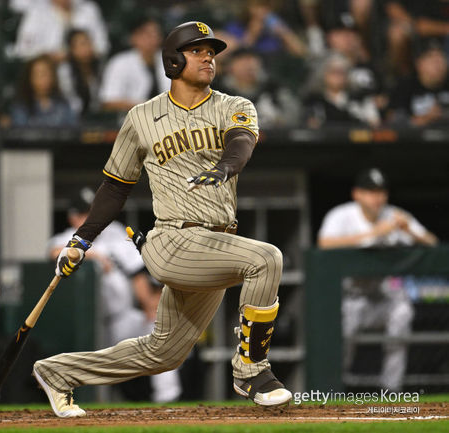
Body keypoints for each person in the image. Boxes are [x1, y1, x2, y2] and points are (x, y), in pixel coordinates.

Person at [32, 21, 292, 418]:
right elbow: (115, 188)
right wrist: (81, 240)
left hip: (216, 245)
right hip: (173, 241)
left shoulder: (235, 106)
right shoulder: (141, 117)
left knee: (163, 354)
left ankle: (57, 372)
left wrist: (226, 166)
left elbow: (241, 144)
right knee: (267, 258)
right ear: (173, 60)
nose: (208, 56)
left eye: (212, 51)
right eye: (197, 50)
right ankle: (251, 371)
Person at [49, 187, 181, 403]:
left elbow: (137, 273)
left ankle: (168, 398)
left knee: (159, 324)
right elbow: (53, 253)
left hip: (120, 320)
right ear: (73, 217)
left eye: (94, 211)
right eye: (85, 213)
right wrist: (92, 255)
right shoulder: (65, 238)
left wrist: (149, 305)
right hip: (86, 328)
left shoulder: (115, 233)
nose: (92, 217)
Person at [317, 167, 438, 391]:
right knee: (343, 340)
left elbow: (432, 244)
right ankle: (332, 390)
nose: (377, 197)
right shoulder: (341, 215)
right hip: (352, 297)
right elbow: (324, 244)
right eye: (370, 191)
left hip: (385, 295)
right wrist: (375, 233)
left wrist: (409, 231)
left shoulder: (396, 215)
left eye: (381, 191)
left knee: (402, 314)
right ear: (357, 194)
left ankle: (392, 390)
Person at [99, 18, 169, 112]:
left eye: (156, 34)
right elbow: (109, 101)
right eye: (148, 34)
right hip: (130, 118)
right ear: (134, 37)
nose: (154, 38)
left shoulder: (170, 60)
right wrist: (149, 106)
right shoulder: (120, 62)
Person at [10, 54, 77, 127]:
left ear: (53, 77)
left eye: (45, 74)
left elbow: (73, 130)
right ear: (29, 78)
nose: (42, 79)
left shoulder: (63, 106)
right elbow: (19, 133)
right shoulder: (21, 107)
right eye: (37, 75)